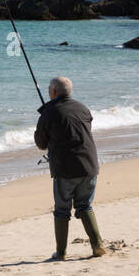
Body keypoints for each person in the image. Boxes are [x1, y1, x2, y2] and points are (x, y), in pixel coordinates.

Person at [34, 76, 105, 260]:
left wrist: (45, 122)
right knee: (84, 205)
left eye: (49, 88)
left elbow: (41, 144)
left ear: (53, 92)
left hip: (65, 169)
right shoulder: (83, 108)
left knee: (62, 210)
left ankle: (61, 252)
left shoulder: (48, 113)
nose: (48, 90)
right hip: (89, 166)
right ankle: (97, 245)